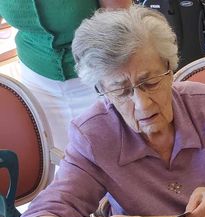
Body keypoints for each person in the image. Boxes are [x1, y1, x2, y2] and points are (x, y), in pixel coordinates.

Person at [14, 6, 205, 217]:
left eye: (151, 83)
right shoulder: (93, 135)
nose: (143, 104)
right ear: (102, 90)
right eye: (121, 91)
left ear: (169, 68)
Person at [0, 1, 131, 152]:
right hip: (36, 83)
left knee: (114, 154)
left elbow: (118, 18)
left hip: (97, 76)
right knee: (58, 161)